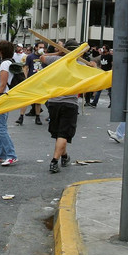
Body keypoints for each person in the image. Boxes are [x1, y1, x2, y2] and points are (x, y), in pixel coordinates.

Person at [39, 39, 80, 174]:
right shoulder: (79, 64)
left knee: (60, 133)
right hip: (69, 102)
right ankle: (54, 161)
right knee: (63, 133)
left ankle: (64, 156)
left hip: (54, 102)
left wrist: (59, 52)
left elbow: (42, 57)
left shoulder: (55, 60)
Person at [0, 41, 18, 166]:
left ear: (1, 51)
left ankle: (11, 155)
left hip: (1, 98)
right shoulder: (8, 62)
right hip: (2, 97)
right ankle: (2, 154)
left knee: (1, 127)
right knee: (1, 126)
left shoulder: (5, 64)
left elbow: (3, 83)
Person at [18, 41, 46, 125]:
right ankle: (21, 117)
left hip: (40, 81)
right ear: (36, 48)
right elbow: (26, 68)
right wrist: (26, 78)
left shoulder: (44, 57)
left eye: (43, 47)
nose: (42, 49)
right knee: (26, 99)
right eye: (40, 47)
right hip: (31, 80)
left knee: (38, 101)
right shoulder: (30, 57)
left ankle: (37, 117)